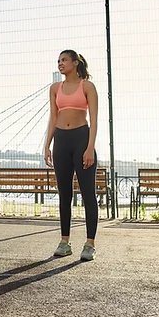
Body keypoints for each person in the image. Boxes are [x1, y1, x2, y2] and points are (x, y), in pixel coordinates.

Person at [43, 49, 100, 261]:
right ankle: (64, 242)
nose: (60, 63)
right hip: (61, 141)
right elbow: (53, 117)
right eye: (58, 60)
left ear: (75, 63)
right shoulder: (55, 88)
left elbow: (94, 120)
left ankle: (89, 244)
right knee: (64, 194)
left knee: (87, 194)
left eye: (64, 60)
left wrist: (89, 147)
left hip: (81, 139)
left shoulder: (87, 86)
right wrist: (47, 144)